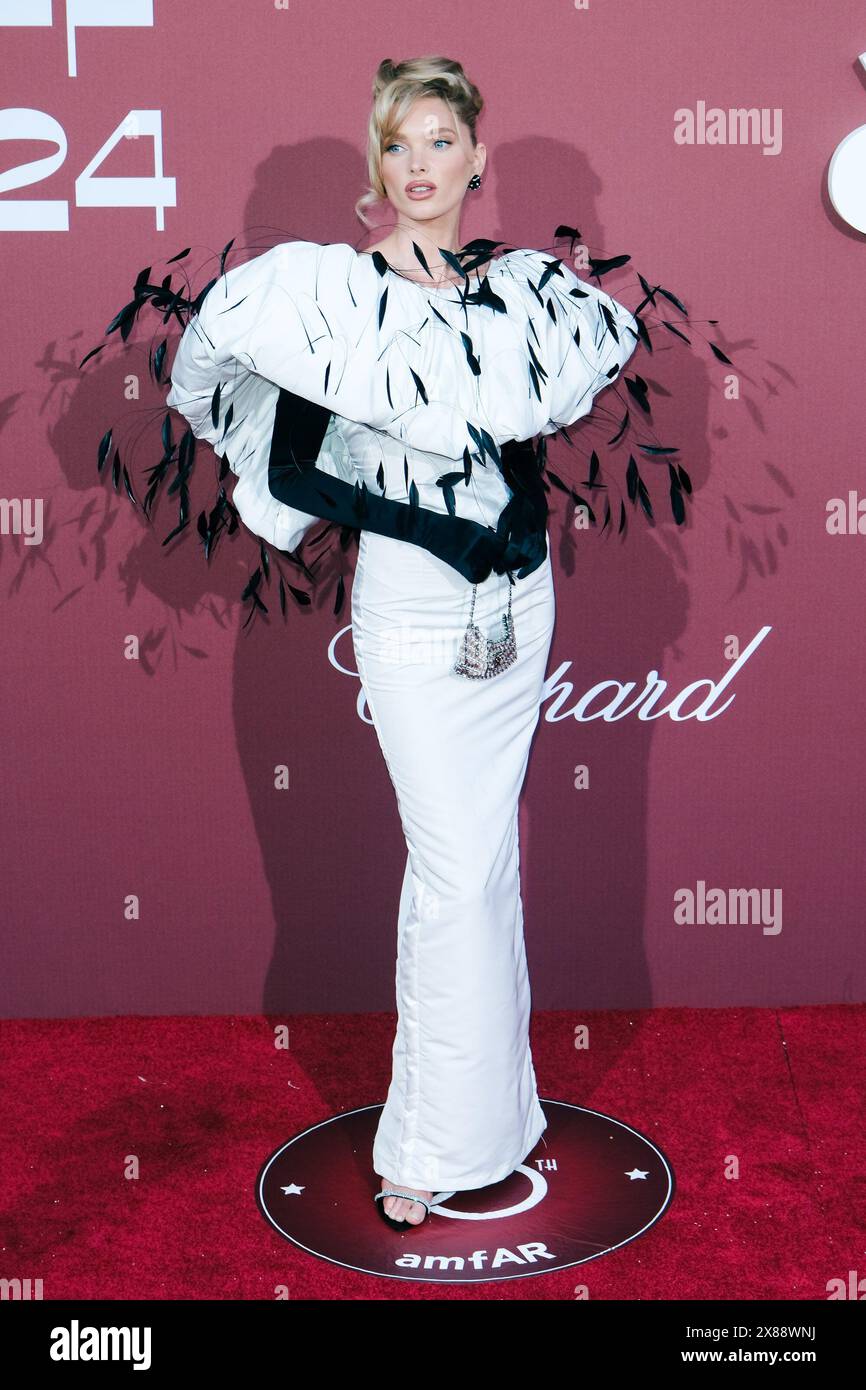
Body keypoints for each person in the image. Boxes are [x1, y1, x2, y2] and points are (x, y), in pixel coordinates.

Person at [154, 55, 639, 1228]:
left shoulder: (527, 291)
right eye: (397, 144)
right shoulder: (325, 296)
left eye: (438, 140)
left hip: (514, 610)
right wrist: (416, 508)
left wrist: (495, 529)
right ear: (378, 166)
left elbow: (529, 433)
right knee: (455, 869)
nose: (417, 165)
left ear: (477, 157)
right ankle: (420, 1145)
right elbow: (282, 460)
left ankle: (493, 1116)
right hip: (415, 613)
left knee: (485, 871)